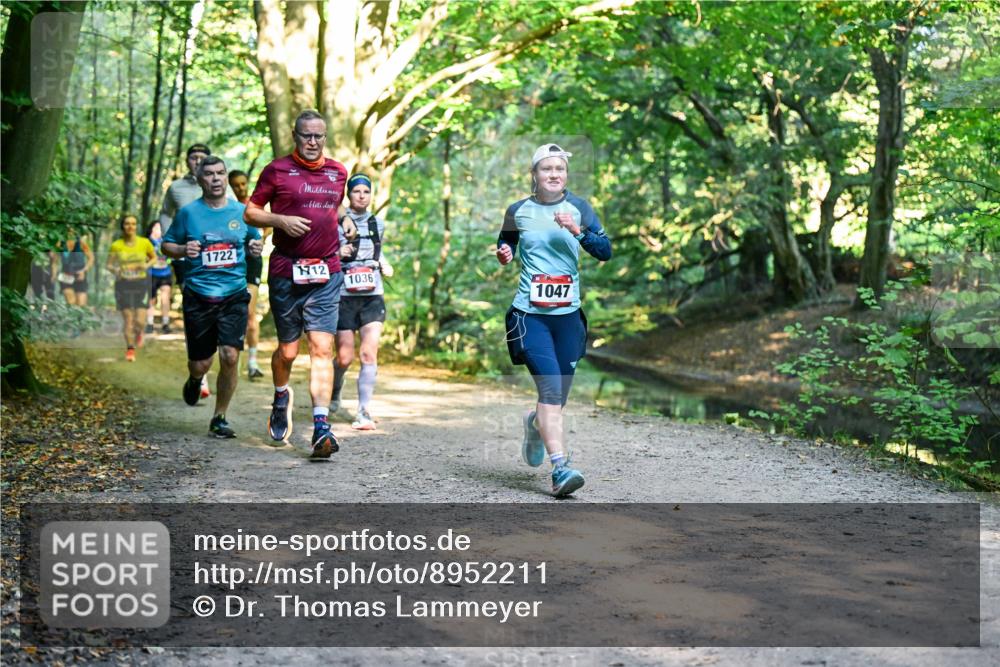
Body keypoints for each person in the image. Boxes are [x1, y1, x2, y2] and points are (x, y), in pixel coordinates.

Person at [496, 143, 612, 497]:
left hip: (568, 319)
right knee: (549, 388)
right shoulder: (517, 211)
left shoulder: (579, 208)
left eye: (559, 169)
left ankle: (534, 425)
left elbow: (604, 251)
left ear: (566, 175)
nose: (553, 174)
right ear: (534, 175)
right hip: (529, 316)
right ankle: (561, 468)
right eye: (546, 169)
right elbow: (506, 243)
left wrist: (578, 231)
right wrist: (505, 253)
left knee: (556, 398)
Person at [244, 109, 349, 459]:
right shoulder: (276, 170)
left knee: (322, 347)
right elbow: (251, 211)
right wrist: (279, 221)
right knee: (288, 350)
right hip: (286, 271)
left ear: (325, 136)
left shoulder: (338, 172)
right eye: (306, 135)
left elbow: (334, 210)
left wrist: (346, 223)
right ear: (295, 135)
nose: (313, 142)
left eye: (319, 135)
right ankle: (280, 394)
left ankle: (321, 427)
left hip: (327, 272)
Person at [162, 156, 263, 438]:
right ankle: (195, 379)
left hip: (233, 295)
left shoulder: (241, 212)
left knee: (230, 355)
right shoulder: (188, 213)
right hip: (199, 295)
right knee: (201, 363)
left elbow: (255, 241)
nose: (216, 178)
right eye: (210, 174)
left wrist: (256, 248)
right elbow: (166, 245)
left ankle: (219, 417)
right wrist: (183, 250)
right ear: (200, 179)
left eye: (221, 173)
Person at [160, 143, 235, 398]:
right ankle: (199, 370)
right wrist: (179, 247)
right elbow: (166, 215)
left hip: (223, 269)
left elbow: (237, 220)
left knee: (228, 349)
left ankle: (207, 366)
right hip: (188, 259)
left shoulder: (224, 190)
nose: (197, 161)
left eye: (202, 157)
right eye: (194, 158)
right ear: (189, 162)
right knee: (195, 302)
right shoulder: (177, 189)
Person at [331, 174, 395, 430]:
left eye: (365, 192)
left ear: (370, 195)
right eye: (356, 191)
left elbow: (376, 253)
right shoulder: (335, 222)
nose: (361, 196)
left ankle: (363, 410)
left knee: (368, 353)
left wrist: (385, 263)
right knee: (344, 357)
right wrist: (338, 254)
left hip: (372, 296)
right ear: (348, 195)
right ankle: (336, 389)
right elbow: (323, 255)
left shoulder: (378, 223)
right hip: (344, 297)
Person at [229, 169, 267, 380]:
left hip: (251, 262)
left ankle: (252, 362)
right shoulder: (224, 205)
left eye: (243, 183)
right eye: (236, 185)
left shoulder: (256, 203)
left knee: (250, 314)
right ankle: (233, 357)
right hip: (230, 263)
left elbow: (268, 225)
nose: (240, 188)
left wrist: (260, 239)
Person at [106, 215, 156, 362]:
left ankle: (139, 333)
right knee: (128, 319)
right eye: (127, 224)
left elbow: (153, 258)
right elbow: (108, 265)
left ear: (136, 226)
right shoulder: (116, 245)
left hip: (141, 283)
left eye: (133, 224)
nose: (130, 227)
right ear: (123, 226)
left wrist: (145, 266)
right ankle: (130, 349)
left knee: (140, 321)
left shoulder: (144, 243)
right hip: (123, 284)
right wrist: (116, 271)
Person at [145, 221, 174, 334]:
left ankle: (165, 323)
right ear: (151, 229)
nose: (159, 230)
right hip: (151, 274)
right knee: (151, 300)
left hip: (165, 273)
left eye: (161, 228)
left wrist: (167, 260)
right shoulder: (146, 242)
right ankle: (149, 323)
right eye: (157, 227)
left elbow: (170, 256)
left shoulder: (166, 241)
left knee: (165, 297)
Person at [51, 231, 94, 306]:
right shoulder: (60, 243)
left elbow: (91, 258)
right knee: (71, 303)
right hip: (66, 275)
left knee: (81, 305)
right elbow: (54, 262)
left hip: (80, 275)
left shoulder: (81, 243)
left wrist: (84, 271)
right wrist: (53, 275)